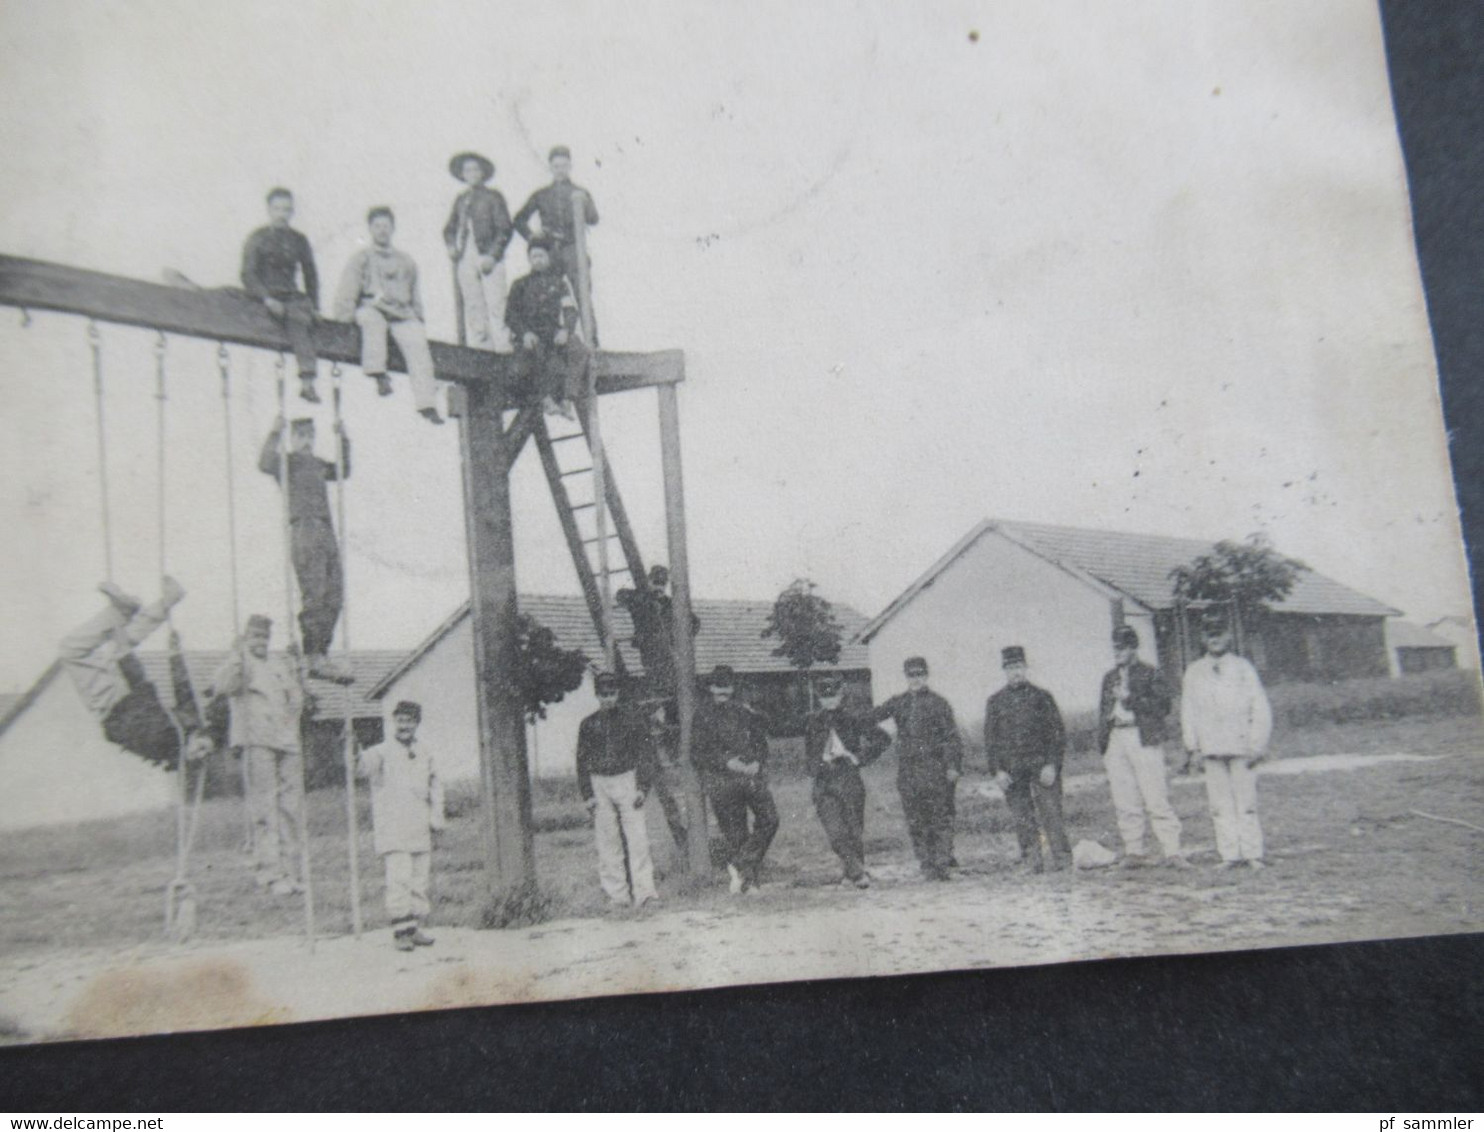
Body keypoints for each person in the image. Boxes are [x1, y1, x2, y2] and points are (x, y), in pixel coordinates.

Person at [58, 578, 219, 768]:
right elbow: (152, 697)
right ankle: (120, 613)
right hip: (113, 703)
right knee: (72, 650)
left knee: (122, 642)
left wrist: (173, 655)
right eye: (202, 747)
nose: (198, 754)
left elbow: (179, 691)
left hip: (123, 699)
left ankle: (159, 604)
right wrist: (131, 661)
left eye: (203, 754)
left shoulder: (184, 729)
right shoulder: (168, 741)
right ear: (199, 735)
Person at [210, 614, 308, 896]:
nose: (260, 642)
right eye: (254, 636)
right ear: (245, 637)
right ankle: (270, 872)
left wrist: (297, 673)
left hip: (286, 741)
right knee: (264, 808)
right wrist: (235, 657)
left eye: (264, 637)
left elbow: (296, 699)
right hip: (256, 741)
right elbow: (221, 686)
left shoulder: (278, 666)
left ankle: (293, 871)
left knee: (291, 806)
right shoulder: (241, 663)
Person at [257, 416, 354, 683]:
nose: (307, 439)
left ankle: (320, 653)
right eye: (301, 435)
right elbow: (264, 462)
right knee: (316, 592)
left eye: (310, 434)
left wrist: (343, 439)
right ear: (294, 438)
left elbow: (343, 471)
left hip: (325, 528)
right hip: (304, 528)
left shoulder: (319, 464)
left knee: (334, 593)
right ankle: (312, 654)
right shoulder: (286, 462)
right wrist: (275, 431)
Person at [333, 206, 444, 425]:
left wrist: (418, 318)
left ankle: (426, 403)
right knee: (372, 323)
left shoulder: (406, 261)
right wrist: (343, 319)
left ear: (392, 229)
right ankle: (378, 374)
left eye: (386, 226)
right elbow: (348, 288)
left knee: (417, 342)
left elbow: (415, 294)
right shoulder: (361, 258)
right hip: (372, 307)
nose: (382, 230)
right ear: (371, 229)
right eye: (377, 226)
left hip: (401, 313)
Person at [1180, 612, 1274, 870]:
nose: (1215, 640)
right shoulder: (1194, 672)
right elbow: (1188, 711)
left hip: (1241, 745)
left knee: (1246, 802)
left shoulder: (1243, 668)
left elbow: (1260, 707)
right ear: (1202, 639)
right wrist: (1193, 747)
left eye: (1219, 634)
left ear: (1228, 636)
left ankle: (1252, 853)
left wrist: (1257, 744)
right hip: (1211, 746)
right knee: (1220, 804)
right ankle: (1229, 854)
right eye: (1209, 635)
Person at [1097, 625, 1188, 868]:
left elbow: (1163, 707)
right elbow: (1103, 710)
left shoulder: (1150, 673)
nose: (1118, 652)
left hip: (1142, 736)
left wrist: (1130, 699)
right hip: (1117, 737)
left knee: (1155, 795)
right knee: (1125, 798)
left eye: (1123, 647)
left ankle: (1172, 851)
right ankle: (1134, 850)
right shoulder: (1109, 677)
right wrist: (1104, 741)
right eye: (1115, 647)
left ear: (1133, 648)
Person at [357, 700, 445, 950]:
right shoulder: (381, 751)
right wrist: (353, 751)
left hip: (419, 824)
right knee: (399, 879)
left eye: (409, 720)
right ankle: (400, 932)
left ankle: (415, 927)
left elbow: (436, 784)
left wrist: (436, 816)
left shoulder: (426, 752)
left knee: (419, 880)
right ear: (394, 722)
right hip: (393, 826)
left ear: (417, 723)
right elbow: (362, 767)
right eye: (400, 720)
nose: (404, 725)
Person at [866, 656, 963, 881]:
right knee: (916, 818)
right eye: (911, 675)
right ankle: (926, 863)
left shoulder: (939, 703)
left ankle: (942, 862)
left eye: (919, 674)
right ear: (906, 677)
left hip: (935, 769)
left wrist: (952, 766)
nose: (916, 679)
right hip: (908, 771)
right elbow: (872, 717)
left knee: (940, 816)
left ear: (926, 676)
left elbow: (952, 737)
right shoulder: (898, 702)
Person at [984, 646, 1073, 873]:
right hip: (1013, 770)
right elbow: (991, 741)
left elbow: (1057, 735)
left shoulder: (1042, 697)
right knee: (1022, 816)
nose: (1016, 672)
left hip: (1042, 766)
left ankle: (1062, 860)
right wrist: (998, 771)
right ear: (1004, 670)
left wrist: (1052, 765)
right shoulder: (995, 702)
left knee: (1051, 812)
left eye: (1019, 667)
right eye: (1011, 667)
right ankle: (1031, 860)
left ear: (1025, 667)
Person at [575, 672, 659, 911]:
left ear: (618, 693)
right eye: (604, 694)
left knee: (637, 838)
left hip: (627, 780)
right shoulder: (588, 724)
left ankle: (645, 893)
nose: (608, 699)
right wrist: (587, 794)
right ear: (597, 695)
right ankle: (617, 896)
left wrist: (642, 787)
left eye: (612, 694)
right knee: (607, 841)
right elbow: (581, 760)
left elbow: (646, 754)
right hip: (599, 783)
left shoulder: (632, 720)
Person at [691, 665, 778, 895]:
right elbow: (697, 753)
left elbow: (761, 741)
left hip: (750, 776)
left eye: (727, 685)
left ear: (733, 686)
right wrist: (727, 762)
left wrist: (757, 762)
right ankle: (748, 883)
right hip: (723, 781)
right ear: (710, 687)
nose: (723, 691)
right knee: (736, 833)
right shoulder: (702, 715)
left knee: (770, 819)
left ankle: (739, 864)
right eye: (718, 686)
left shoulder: (744, 711)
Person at [804, 675, 890, 888]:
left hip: (849, 779)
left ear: (841, 696)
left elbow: (882, 738)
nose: (830, 701)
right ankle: (857, 873)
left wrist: (859, 757)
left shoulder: (853, 719)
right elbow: (809, 755)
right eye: (825, 697)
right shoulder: (813, 722)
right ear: (819, 698)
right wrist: (818, 765)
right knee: (835, 831)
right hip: (824, 782)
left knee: (853, 830)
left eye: (833, 696)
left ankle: (851, 874)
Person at [241, 187, 321, 404]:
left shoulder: (299, 240)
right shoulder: (257, 238)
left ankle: (307, 381)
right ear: (269, 210)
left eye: (286, 209)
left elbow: (310, 274)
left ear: (292, 212)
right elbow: (248, 274)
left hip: (290, 296)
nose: (281, 214)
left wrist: (315, 306)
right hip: (264, 295)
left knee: (300, 320)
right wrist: (266, 298)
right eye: (277, 208)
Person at [505, 234, 586, 419]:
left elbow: (570, 310)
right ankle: (546, 400)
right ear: (529, 259)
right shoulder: (520, 285)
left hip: (553, 333)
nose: (538, 260)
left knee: (578, 349)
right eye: (534, 257)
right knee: (537, 355)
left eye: (541, 256)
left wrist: (566, 330)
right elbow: (510, 314)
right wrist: (524, 333)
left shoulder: (559, 284)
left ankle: (567, 399)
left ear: (548, 258)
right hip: (530, 336)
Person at [443, 151, 514, 353]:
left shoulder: (493, 197)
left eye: (475, 169)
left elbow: (504, 228)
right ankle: (483, 349)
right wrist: (451, 245)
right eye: (467, 170)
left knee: (497, 303)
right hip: (467, 254)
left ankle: (503, 349)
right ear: (463, 175)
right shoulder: (461, 200)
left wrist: (493, 255)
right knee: (473, 303)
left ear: (482, 173)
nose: (472, 173)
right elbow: (449, 228)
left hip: (489, 254)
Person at [512, 145, 600, 306]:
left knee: (583, 296)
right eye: (556, 166)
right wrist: (532, 237)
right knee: (547, 296)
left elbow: (594, 219)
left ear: (570, 166)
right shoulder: (541, 194)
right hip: (550, 250)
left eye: (564, 166)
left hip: (574, 249)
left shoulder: (580, 192)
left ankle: (590, 332)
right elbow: (519, 220)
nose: (560, 170)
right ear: (550, 167)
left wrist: (584, 202)